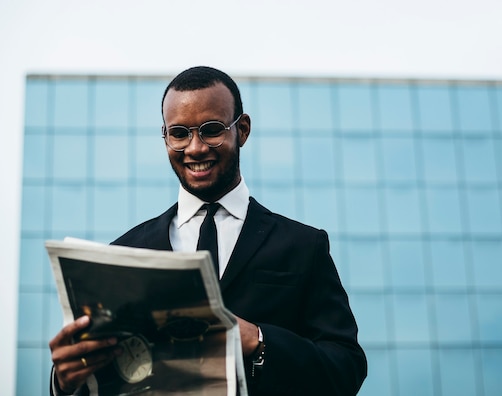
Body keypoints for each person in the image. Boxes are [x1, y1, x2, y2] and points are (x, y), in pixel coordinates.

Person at [48, 66, 367, 395]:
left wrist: (257, 340)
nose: (195, 147)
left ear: (242, 130)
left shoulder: (302, 246)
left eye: (211, 129)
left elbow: (346, 367)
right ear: (165, 137)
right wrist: (65, 382)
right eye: (179, 133)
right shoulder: (123, 253)